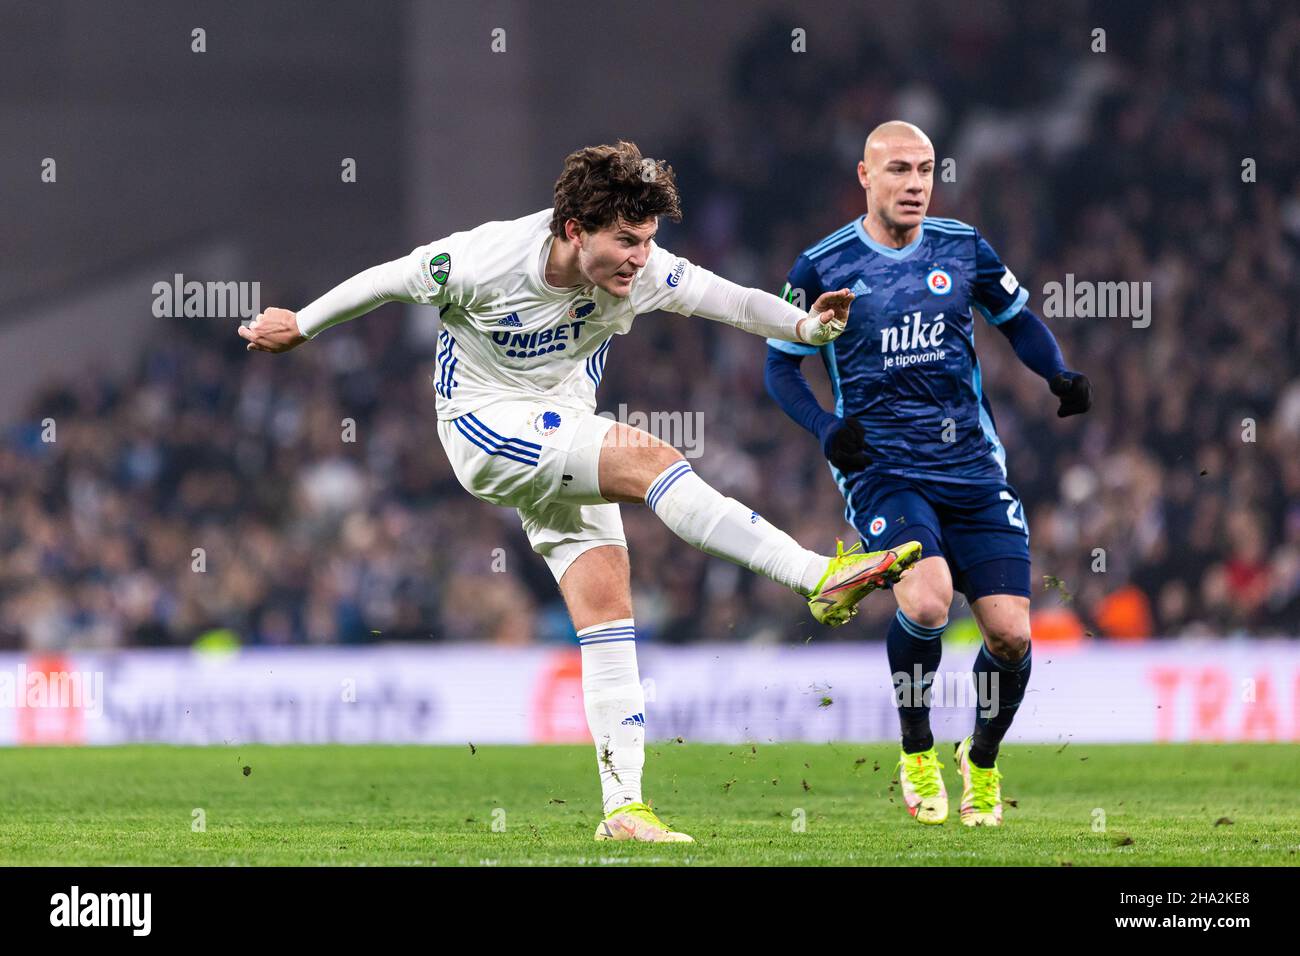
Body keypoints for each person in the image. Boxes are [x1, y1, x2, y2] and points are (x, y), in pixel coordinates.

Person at [239, 140, 920, 842]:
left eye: (647, 241)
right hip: (483, 426)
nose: (639, 257)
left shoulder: (644, 270)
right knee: (650, 457)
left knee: (607, 614)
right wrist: (304, 324)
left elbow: (734, 302)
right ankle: (817, 576)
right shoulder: (484, 259)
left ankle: (624, 810)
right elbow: (389, 278)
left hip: (561, 427)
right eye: (625, 240)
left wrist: (808, 327)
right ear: (573, 230)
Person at [764, 122, 1091, 826]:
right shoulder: (820, 266)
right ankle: (916, 749)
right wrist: (827, 429)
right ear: (865, 177)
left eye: (926, 170)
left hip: (973, 469)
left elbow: (1019, 321)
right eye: (899, 170)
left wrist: (1058, 374)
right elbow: (777, 364)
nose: (915, 183)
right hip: (884, 471)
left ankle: (980, 763)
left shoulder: (963, 246)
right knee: (930, 599)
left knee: (1010, 635)